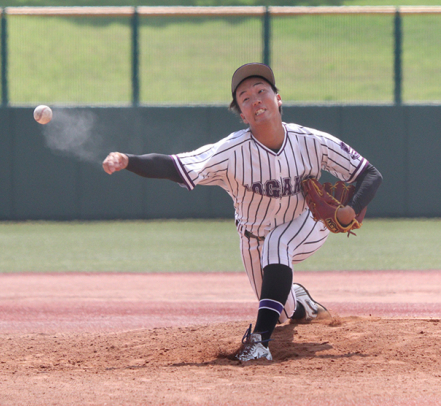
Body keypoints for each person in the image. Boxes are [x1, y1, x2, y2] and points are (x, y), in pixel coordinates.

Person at [102, 63, 382, 362]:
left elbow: (370, 174)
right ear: (242, 114)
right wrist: (128, 160)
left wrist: (350, 209)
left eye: (262, 91)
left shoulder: (311, 141)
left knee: (280, 243)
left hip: (307, 225)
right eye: (245, 97)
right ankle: (302, 304)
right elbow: (174, 165)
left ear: (278, 99)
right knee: (282, 312)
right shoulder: (230, 151)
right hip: (253, 240)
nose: (255, 99)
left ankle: (259, 343)